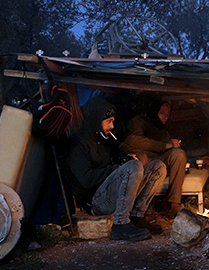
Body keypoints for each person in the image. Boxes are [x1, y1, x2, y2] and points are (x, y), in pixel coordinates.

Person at [64, 97, 167, 241]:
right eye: (108, 121)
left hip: (111, 192)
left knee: (158, 167)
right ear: (96, 120)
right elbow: (86, 180)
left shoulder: (102, 140)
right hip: (96, 201)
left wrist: (123, 159)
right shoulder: (78, 145)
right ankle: (120, 224)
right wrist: (117, 168)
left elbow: (113, 159)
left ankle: (136, 217)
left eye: (112, 121)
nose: (112, 126)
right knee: (133, 167)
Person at [120, 99, 188, 219]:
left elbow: (166, 146)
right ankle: (135, 206)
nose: (165, 118)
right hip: (144, 158)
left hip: (159, 159)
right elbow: (133, 140)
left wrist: (171, 143)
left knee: (179, 154)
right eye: (162, 113)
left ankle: (173, 204)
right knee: (141, 159)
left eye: (167, 115)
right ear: (154, 111)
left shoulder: (164, 129)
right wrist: (164, 145)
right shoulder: (139, 121)